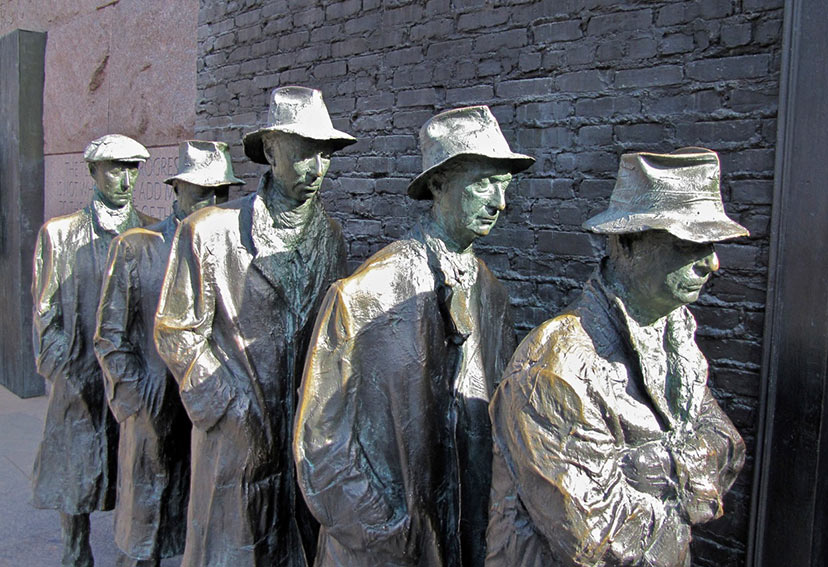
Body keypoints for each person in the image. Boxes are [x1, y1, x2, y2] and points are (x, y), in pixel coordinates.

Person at [295, 106, 534, 567]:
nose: (500, 202)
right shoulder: (367, 294)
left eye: (505, 184)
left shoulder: (490, 293)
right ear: (439, 183)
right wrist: (383, 525)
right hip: (381, 545)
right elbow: (320, 441)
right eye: (484, 181)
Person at [485, 148, 748, 567]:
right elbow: (601, 540)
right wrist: (684, 478)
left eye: (712, 244)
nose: (712, 263)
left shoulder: (676, 335)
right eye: (690, 244)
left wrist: (642, 468)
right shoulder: (557, 367)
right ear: (627, 242)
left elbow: (728, 448)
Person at [154, 87, 354, 567]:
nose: (316, 168)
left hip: (301, 437)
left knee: (294, 547)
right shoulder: (208, 231)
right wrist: (229, 407)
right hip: (235, 437)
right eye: (303, 152)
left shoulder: (332, 238)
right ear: (269, 150)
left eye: (324, 154)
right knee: (232, 549)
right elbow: (176, 330)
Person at [94, 140, 244, 567]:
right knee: (145, 528)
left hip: (207, 413)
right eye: (200, 191)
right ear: (176, 190)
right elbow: (109, 337)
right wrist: (136, 403)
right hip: (153, 409)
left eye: (221, 193)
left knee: (197, 525)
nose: (211, 202)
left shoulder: (231, 253)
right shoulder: (136, 248)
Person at [31, 134, 155, 567]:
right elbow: (46, 312)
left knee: (133, 465)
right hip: (79, 369)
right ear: (92, 172)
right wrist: (62, 365)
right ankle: (74, 547)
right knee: (77, 465)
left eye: (132, 168)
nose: (124, 179)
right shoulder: (60, 235)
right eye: (114, 168)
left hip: (129, 373)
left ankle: (132, 548)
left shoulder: (151, 233)